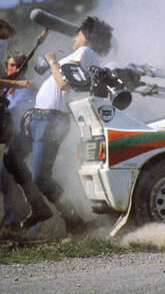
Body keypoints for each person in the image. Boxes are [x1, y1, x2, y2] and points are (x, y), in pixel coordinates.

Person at [4, 16, 113, 232]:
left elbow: (65, 84)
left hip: (50, 120)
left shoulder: (85, 53)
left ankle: (74, 222)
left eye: (78, 34)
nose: (74, 38)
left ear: (87, 37)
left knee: (41, 176)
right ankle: (38, 207)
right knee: (11, 158)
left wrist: (53, 61)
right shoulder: (83, 55)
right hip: (38, 118)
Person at [0, 52, 36, 229]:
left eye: (16, 66)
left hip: (24, 141)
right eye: (10, 66)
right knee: (5, 181)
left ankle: (27, 223)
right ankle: (13, 221)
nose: (13, 69)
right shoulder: (5, 89)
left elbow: (19, 112)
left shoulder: (28, 88)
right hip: (9, 141)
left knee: (21, 181)